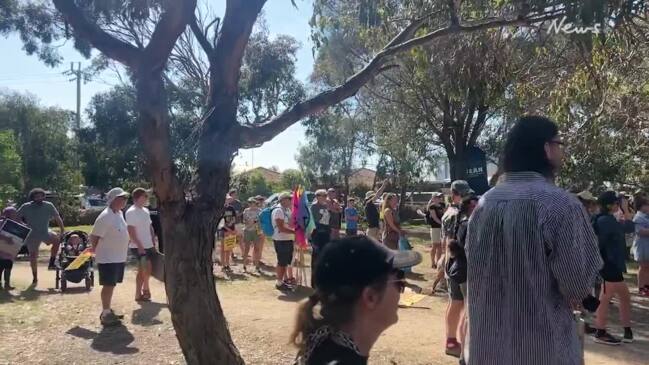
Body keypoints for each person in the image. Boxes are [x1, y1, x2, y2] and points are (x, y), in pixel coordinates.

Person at [465, 116, 602, 364]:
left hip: (486, 348)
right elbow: (578, 286)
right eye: (559, 143)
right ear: (546, 148)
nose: (562, 151)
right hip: (542, 348)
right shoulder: (561, 205)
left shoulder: (485, 203)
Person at [291, 236, 422, 365]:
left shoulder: (325, 348)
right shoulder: (342, 358)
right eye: (399, 282)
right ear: (371, 297)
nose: (401, 291)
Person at [593, 190, 635, 344]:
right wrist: (626, 211)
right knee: (605, 298)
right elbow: (629, 227)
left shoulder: (606, 219)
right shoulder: (606, 221)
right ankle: (600, 331)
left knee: (622, 296)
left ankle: (627, 330)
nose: (619, 205)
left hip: (611, 264)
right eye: (617, 203)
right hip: (608, 265)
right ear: (610, 205)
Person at [90, 188, 130, 326]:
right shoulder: (105, 216)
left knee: (112, 285)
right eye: (121, 198)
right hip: (107, 258)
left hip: (118, 257)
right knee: (108, 285)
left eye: (125, 198)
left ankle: (107, 310)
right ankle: (105, 313)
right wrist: (94, 251)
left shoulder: (119, 213)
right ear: (113, 199)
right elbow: (94, 236)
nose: (124, 201)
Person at [446, 194, 478, 360]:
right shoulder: (470, 224)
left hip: (456, 270)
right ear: (471, 207)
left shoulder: (459, 221)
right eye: (476, 205)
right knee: (469, 315)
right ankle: (465, 355)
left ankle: (454, 343)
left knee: (460, 307)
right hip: (466, 273)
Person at [17, 188, 65, 283]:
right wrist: (23, 225)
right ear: (33, 197)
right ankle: (35, 277)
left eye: (41, 196)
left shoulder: (48, 205)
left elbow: (57, 217)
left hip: (45, 232)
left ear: (44, 196)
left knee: (57, 240)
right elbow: (16, 217)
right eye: (36, 196)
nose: (39, 198)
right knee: (33, 256)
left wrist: (62, 229)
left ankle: (51, 263)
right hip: (32, 235)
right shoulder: (26, 207)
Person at [126, 188, 158, 302]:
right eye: (145, 196)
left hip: (148, 244)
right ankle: (145, 289)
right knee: (145, 267)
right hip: (138, 246)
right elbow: (130, 230)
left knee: (143, 269)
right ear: (138, 197)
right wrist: (139, 245)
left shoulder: (145, 211)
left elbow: (150, 226)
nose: (146, 198)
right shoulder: (131, 212)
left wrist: (153, 240)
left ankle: (138, 294)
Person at [273, 192, 296, 291]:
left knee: (286, 261)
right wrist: (295, 232)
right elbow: (281, 228)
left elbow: (291, 223)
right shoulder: (278, 210)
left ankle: (283, 280)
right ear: (282, 200)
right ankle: (279, 282)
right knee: (282, 262)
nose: (290, 201)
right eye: (289, 199)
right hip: (281, 239)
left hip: (288, 239)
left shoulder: (286, 210)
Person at [417, 192, 445, 269]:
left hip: (441, 228)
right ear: (433, 198)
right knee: (435, 245)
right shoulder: (432, 207)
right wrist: (442, 224)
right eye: (437, 197)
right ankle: (433, 262)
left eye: (439, 197)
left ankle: (438, 262)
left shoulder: (443, 205)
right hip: (435, 228)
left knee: (440, 246)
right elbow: (435, 218)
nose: (439, 198)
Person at [310, 190, 331, 287]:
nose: (323, 197)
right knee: (316, 258)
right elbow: (315, 221)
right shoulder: (314, 206)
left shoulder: (326, 206)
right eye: (321, 195)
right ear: (317, 196)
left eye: (325, 195)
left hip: (326, 233)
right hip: (317, 233)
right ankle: (314, 283)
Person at [633, 196, 649, 297]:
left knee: (648, 267)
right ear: (641, 206)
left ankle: (647, 287)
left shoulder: (646, 216)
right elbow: (640, 232)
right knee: (643, 267)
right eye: (647, 204)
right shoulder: (638, 217)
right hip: (642, 246)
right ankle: (641, 287)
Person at [0, 206, 19, 290]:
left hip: (9, 251)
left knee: (8, 267)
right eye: (10, 213)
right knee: (0, 267)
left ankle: (7, 284)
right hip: (1, 249)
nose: (13, 215)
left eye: (14, 213)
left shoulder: (16, 225)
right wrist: (5, 238)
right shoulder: (1, 223)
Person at [242, 197, 263, 273]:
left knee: (257, 248)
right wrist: (249, 223)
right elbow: (244, 220)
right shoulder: (246, 211)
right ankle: (244, 265)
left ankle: (257, 265)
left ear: (255, 203)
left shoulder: (259, 211)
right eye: (250, 203)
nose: (251, 204)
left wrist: (255, 223)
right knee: (246, 248)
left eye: (253, 202)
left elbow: (260, 221)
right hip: (247, 230)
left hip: (256, 231)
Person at [219, 196, 237, 273]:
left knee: (228, 248)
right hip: (223, 231)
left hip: (231, 231)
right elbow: (220, 222)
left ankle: (227, 264)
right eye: (227, 199)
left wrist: (232, 228)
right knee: (223, 249)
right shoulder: (220, 208)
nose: (228, 200)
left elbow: (234, 218)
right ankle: (223, 265)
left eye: (229, 199)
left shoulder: (231, 208)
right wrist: (228, 229)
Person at [228, 190, 244, 260]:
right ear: (230, 195)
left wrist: (237, 215)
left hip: (238, 222)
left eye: (236, 194)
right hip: (230, 224)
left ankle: (243, 253)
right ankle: (232, 254)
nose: (235, 196)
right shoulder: (228, 203)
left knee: (240, 238)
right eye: (234, 194)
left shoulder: (238, 203)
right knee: (231, 238)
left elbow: (241, 212)